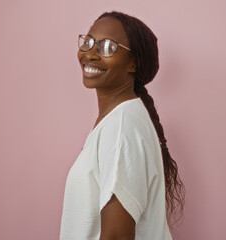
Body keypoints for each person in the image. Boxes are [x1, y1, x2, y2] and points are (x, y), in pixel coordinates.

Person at [60, 11, 185, 240]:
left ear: (133, 64)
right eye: (88, 42)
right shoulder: (119, 119)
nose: (90, 53)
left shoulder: (121, 127)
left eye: (108, 47)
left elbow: (116, 236)